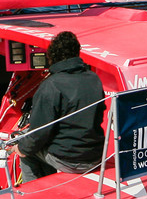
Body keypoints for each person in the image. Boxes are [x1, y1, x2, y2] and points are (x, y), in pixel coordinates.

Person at [19, 31, 105, 181]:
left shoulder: (51, 86)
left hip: (69, 160)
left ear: (52, 57)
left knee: (26, 152)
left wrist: (20, 147)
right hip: (95, 156)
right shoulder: (94, 78)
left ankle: (32, 193)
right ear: (77, 52)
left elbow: (38, 134)